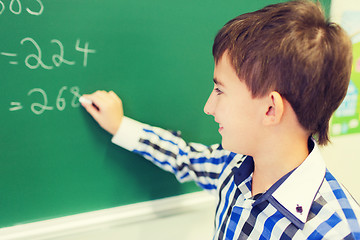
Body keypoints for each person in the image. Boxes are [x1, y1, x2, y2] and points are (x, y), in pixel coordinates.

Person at [81, 0, 360, 239]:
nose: (208, 107)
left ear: (270, 109)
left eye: (220, 90)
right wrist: (120, 126)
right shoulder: (235, 164)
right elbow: (184, 157)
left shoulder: (334, 231)